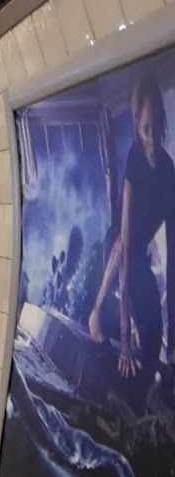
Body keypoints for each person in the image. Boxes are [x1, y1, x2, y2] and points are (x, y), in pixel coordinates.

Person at [87, 73, 175, 377]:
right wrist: (124, 337)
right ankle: (97, 313)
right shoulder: (134, 161)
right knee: (127, 328)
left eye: (157, 128)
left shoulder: (167, 170)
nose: (152, 139)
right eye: (146, 129)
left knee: (154, 333)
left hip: (138, 255)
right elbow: (121, 250)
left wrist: (174, 338)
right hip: (120, 251)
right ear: (137, 124)